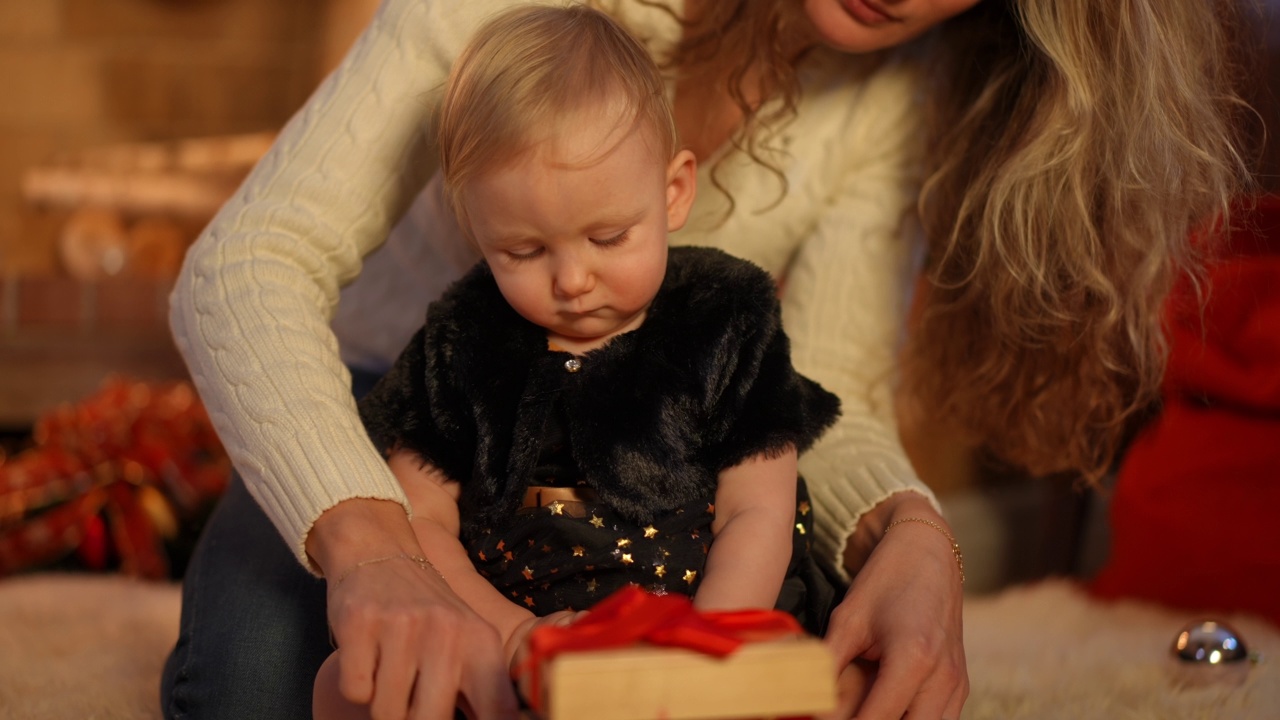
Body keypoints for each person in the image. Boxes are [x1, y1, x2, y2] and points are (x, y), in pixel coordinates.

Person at [162, 1, 1250, 719]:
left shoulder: (892, 82)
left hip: (649, 435)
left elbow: (825, 394)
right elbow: (242, 268)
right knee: (261, 683)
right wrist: (379, 550)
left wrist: (912, 531)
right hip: (387, 410)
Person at [311, 10, 844, 716]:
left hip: (710, 625)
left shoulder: (726, 318)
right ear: (474, 226)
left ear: (672, 192)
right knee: (344, 688)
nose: (571, 280)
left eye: (610, 237)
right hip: (522, 635)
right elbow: (421, 525)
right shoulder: (460, 341)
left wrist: (704, 649)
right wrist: (509, 639)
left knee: (836, 682)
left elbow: (759, 510)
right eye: (525, 252)